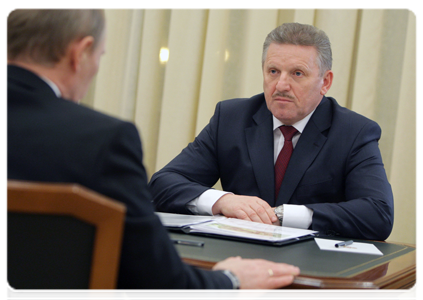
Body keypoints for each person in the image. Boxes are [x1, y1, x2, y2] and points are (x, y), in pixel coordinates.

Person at [5, 8, 300, 300]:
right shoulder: (99, 140)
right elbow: (160, 287)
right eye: (100, 56)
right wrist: (231, 280)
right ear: (81, 52)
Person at [149, 22, 394, 241]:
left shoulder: (354, 132)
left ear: (325, 82)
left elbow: (378, 214)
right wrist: (224, 201)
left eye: (297, 74)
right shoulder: (232, 118)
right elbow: (162, 184)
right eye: (273, 71)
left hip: (314, 269)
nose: (281, 85)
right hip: (241, 260)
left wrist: (284, 215)